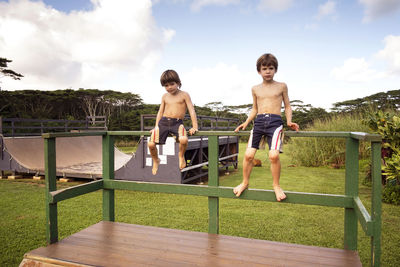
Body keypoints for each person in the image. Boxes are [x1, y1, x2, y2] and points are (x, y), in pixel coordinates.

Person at [233, 53, 299, 201]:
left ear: (275, 70)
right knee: (248, 155)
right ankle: (244, 182)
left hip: (275, 123)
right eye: (264, 68)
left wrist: (289, 121)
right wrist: (246, 122)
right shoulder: (255, 89)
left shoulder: (282, 86)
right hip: (259, 122)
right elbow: (255, 108)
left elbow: (287, 106)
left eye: (271, 68)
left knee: (273, 155)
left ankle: (276, 186)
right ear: (259, 71)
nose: (267, 71)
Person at [148, 69, 199, 175]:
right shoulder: (164, 96)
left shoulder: (184, 95)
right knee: (151, 144)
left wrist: (195, 126)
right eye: (166, 85)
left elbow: (191, 110)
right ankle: (156, 160)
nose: (169, 87)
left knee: (184, 140)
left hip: (177, 123)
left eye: (172, 84)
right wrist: (156, 126)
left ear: (178, 83)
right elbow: (160, 112)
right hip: (163, 122)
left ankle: (181, 156)